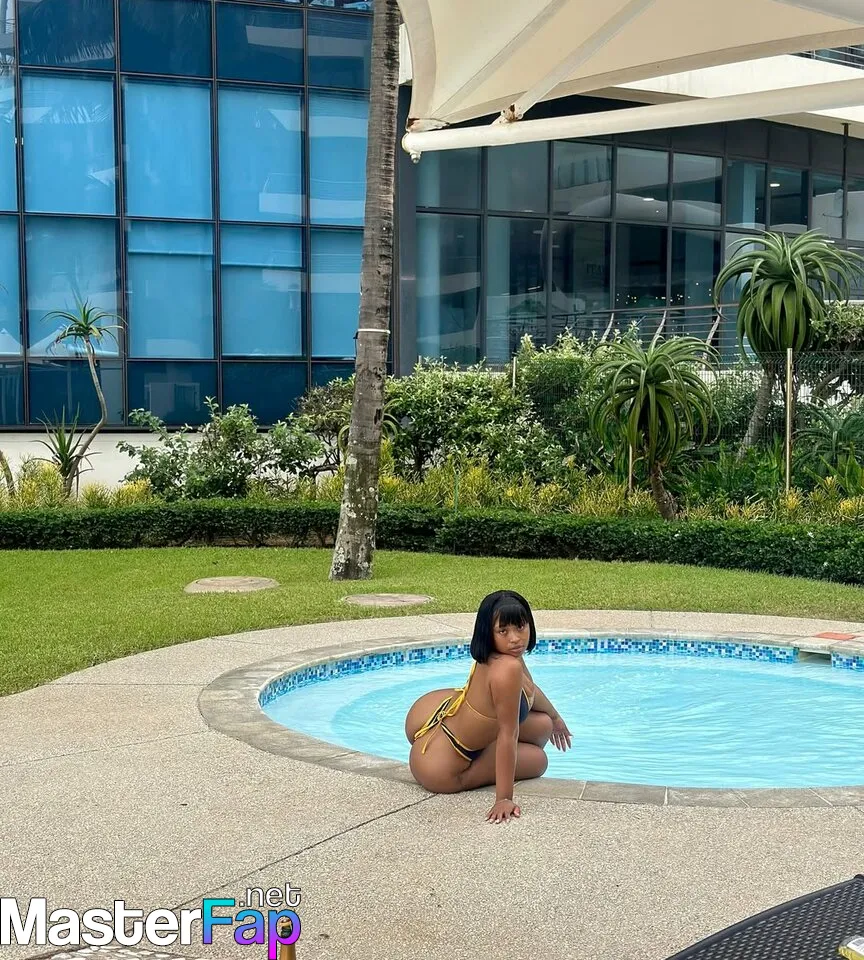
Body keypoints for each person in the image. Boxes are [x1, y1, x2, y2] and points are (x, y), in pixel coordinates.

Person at [404, 590, 572, 824]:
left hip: (438, 723)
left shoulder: (502, 654)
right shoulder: (506, 668)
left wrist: (555, 718)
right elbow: (507, 735)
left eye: (520, 627)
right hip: (441, 768)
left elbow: (528, 689)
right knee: (539, 760)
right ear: (488, 632)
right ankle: (475, 767)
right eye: (503, 631)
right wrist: (504, 798)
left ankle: (486, 746)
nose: (515, 638)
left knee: (544, 724)